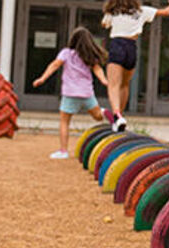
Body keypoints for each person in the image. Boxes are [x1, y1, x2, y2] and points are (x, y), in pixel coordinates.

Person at [99, 0, 169, 133]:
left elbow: (104, 24)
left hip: (117, 45)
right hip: (131, 47)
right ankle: (119, 118)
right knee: (124, 84)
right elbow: (166, 12)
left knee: (113, 85)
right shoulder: (142, 11)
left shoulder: (113, 12)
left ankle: (116, 115)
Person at [31, 27, 115, 159]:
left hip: (70, 93)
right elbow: (98, 70)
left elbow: (54, 65)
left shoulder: (66, 53)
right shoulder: (89, 56)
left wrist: (42, 78)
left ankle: (63, 151)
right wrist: (104, 81)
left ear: (73, 40)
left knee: (64, 122)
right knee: (98, 116)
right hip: (87, 93)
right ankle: (105, 112)